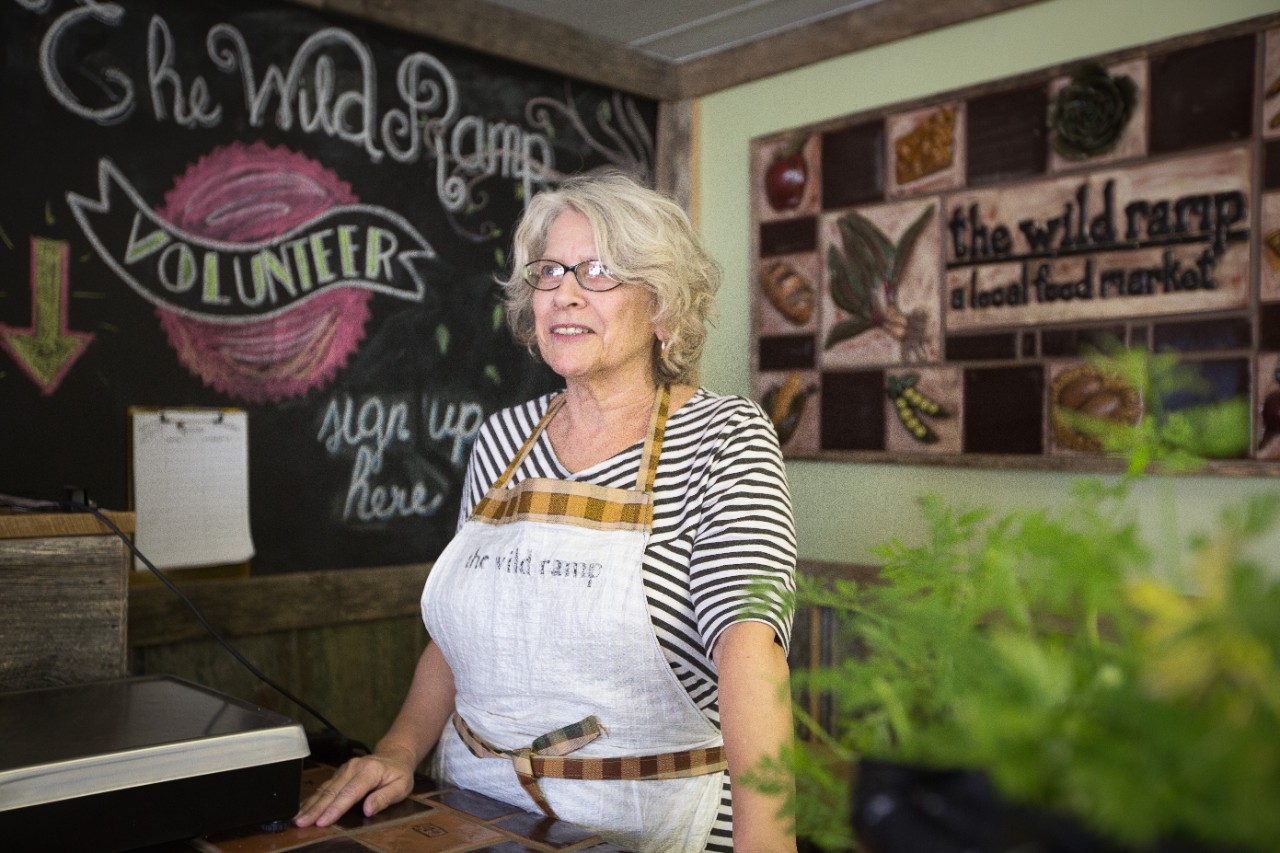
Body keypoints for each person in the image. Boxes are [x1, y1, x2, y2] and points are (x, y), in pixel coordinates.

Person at [294, 170, 798, 852]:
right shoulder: (502, 439)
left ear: (664, 307)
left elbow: (750, 649)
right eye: (550, 270)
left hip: (648, 823)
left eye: (598, 271)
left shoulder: (724, 437)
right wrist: (397, 749)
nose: (563, 291)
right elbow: (463, 636)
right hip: (477, 815)